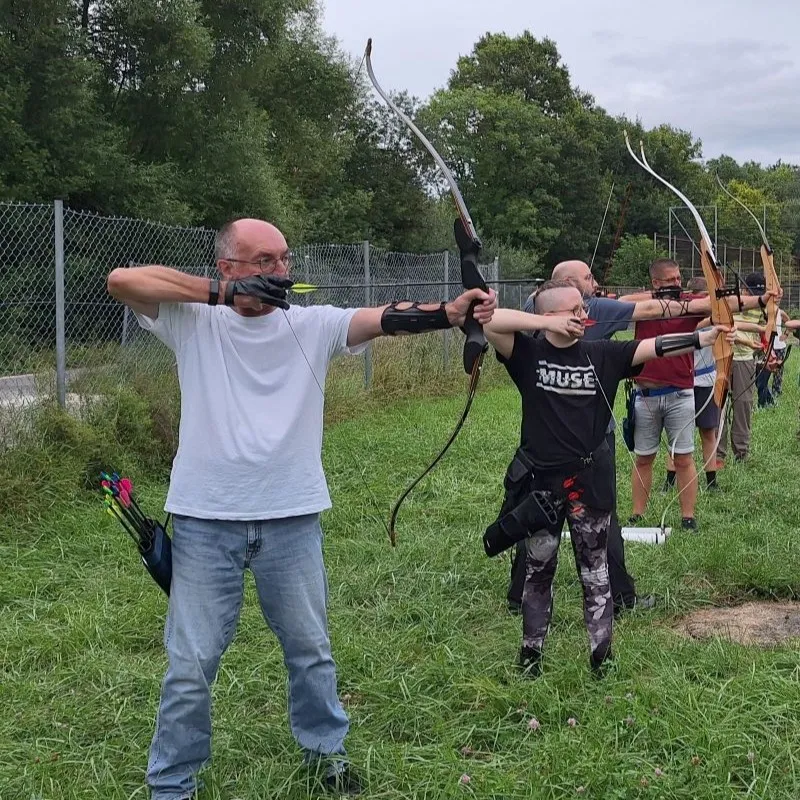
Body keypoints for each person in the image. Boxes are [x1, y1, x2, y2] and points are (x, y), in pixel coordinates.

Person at [105, 217, 497, 799]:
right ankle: (172, 781)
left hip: (291, 518)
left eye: (283, 260)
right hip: (205, 520)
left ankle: (326, 754)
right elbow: (121, 280)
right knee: (190, 662)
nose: (277, 271)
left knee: (310, 649)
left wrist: (451, 312)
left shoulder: (310, 324)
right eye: (261, 261)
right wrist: (223, 297)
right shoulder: (194, 321)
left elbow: (384, 318)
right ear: (228, 267)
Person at [482, 280, 732, 675]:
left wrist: (705, 336)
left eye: (583, 308)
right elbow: (493, 320)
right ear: (546, 316)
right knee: (538, 572)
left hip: (589, 485)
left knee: (595, 574)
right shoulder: (526, 353)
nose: (582, 316)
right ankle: (530, 659)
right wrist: (546, 323)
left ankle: (602, 659)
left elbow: (654, 347)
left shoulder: (602, 353)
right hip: (542, 486)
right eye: (572, 311)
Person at [621, 259, 771, 531]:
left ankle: (688, 517)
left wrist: (761, 300)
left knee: (684, 458)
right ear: (655, 283)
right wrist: (658, 303)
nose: (677, 283)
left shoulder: (691, 303)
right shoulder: (644, 307)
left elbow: (726, 304)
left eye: (679, 278)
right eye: (670, 280)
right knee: (644, 457)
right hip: (646, 393)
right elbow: (621, 301)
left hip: (680, 393)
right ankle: (637, 515)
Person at [716, 272, 766, 465]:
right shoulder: (730, 301)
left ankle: (741, 453)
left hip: (745, 359)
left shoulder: (761, 307)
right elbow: (724, 322)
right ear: (743, 289)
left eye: (757, 294)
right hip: (723, 356)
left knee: (743, 404)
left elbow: (765, 328)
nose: (754, 296)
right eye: (750, 292)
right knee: (719, 405)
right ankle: (718, 453)